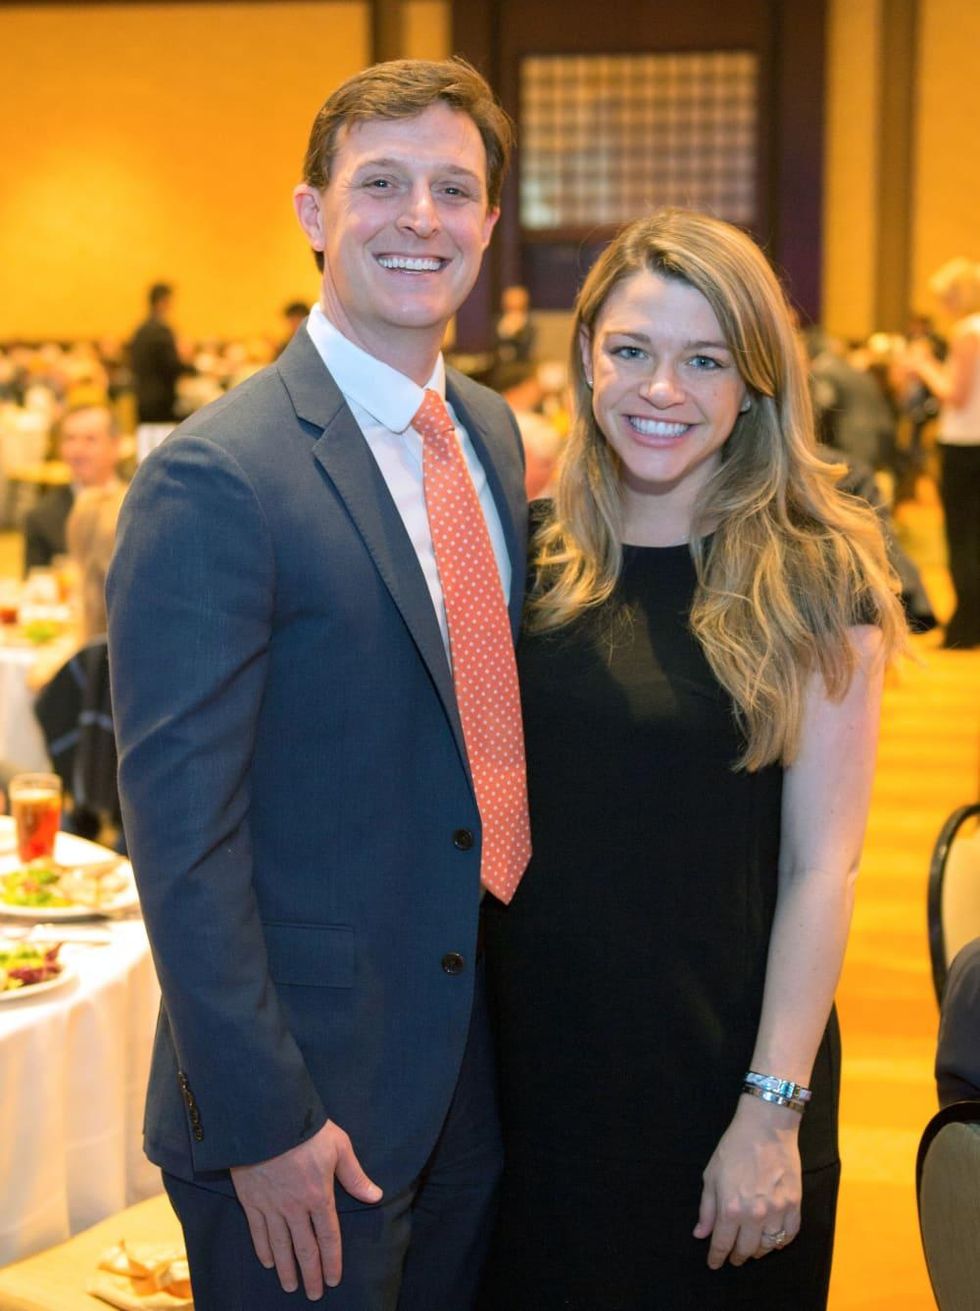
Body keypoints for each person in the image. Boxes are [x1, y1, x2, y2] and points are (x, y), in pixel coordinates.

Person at [106, 57, 527, 1311]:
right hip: (302, 1111)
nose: (419, 218)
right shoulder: (216, 477)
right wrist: (264, 1119)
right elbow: (179, 841)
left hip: (465, 1072)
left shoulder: (494, 438)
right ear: (311, 214)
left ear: (489, 228)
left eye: (453, 189)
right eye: (380, 182)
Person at [479, 209, 906, 1310]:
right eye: (631, 351)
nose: (659, 389)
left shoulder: (814, 576)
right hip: (531, 1091)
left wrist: (771, 1110)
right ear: (584, 358)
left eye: (702, 359)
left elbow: (826, 867)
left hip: (723, 1082)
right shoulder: (522, 558)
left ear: (754, 382)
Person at [904, 257, 980, 649]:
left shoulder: (969, 331)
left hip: (966, 446)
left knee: (963, 538)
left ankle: (967, 626)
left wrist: (925, 365)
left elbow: (955, 393)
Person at [23, 403, 122, 572]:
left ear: (115, 445)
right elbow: (36, 590)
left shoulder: (142, 506)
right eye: (70, 439)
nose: (78, 450)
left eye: (90, 439)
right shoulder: (41, 517)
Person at [128, 282, 189, 424]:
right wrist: (190, 366)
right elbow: (172, 366)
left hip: (142, 395)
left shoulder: (140, 330)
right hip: (160, 399)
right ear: (163, 301)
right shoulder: (161, 331)